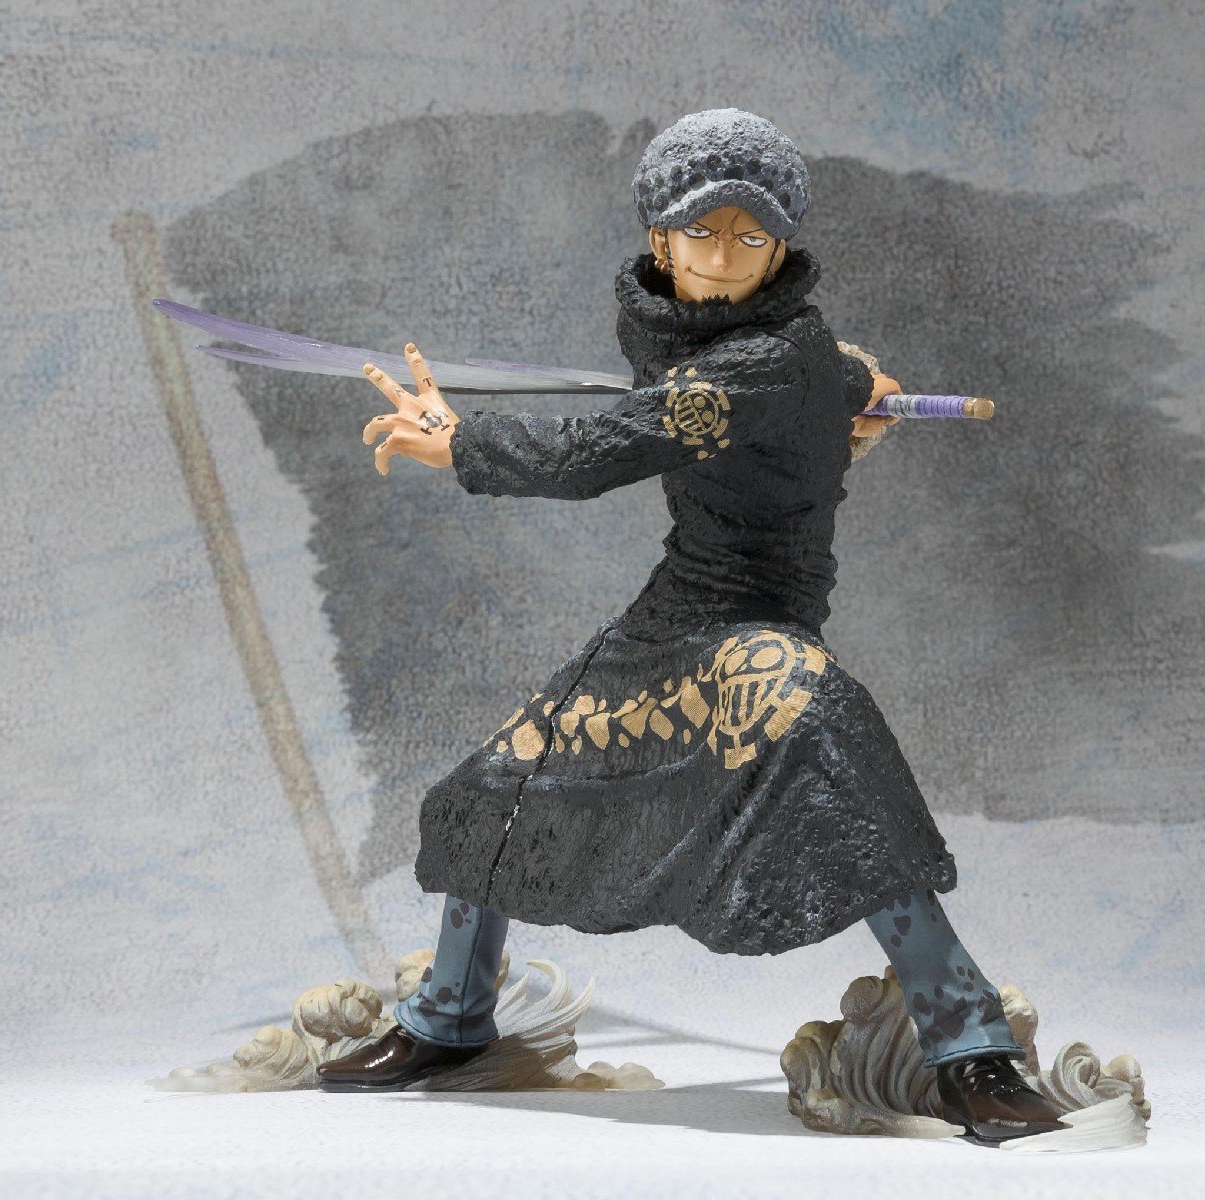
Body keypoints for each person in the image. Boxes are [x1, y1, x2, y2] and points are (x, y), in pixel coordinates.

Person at [315, 109, 1067, 1142]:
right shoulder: (728, 344)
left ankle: (972, 1051)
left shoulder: (756, 365)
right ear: (658, 241)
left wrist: (459, 441)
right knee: (494, 792)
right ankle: (449, 1020)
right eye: (701, 232)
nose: (722, 256)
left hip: (753, 636)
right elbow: (834, 375)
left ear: (780, 249)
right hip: (669, 622)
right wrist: (858, 386)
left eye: (750, 236)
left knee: (842, 774)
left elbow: (599, 453)